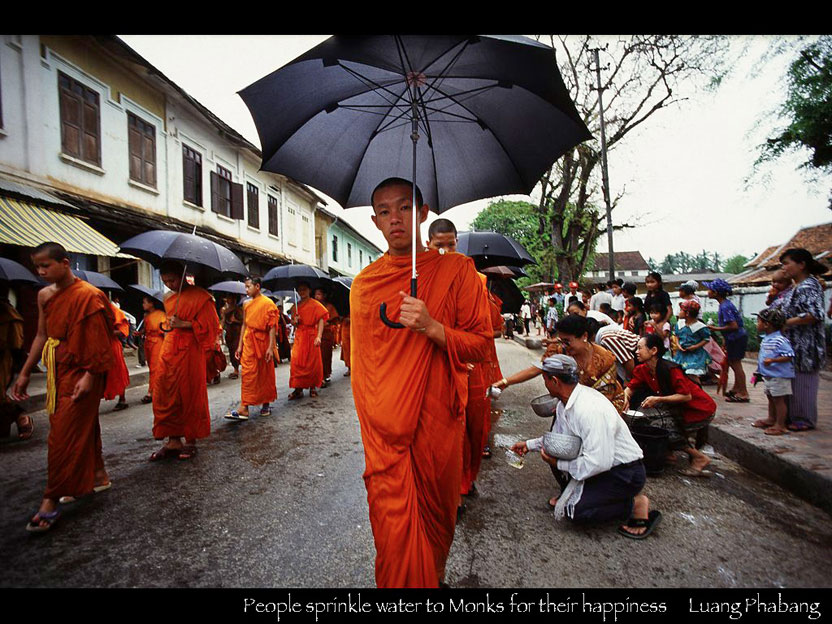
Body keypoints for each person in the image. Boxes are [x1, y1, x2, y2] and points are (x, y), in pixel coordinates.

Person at [351, 177, 491, 588]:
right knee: (393, 529)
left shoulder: (456, 270)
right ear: (375, 221)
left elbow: (481, 346)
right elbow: (363, 370)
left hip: (437, 421)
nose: (395, 219)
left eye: (405, 208)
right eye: (385, 211)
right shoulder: (364, 285)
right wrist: (378, 422)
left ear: (422, 213)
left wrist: (433, 327)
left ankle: (434, 577)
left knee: (436, 518)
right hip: (385, 434)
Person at [10, 242, 115, 531]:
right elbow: (42, 334)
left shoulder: (90, 296)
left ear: (65, 263)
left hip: (85, 369)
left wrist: (91, 375)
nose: (42, 272)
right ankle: (98, 475)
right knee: (81, 425)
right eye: (38, 267)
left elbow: (99, 340)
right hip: (59, 369)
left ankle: (51, 498)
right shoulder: (45, 295)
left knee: (63, 435)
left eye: (46, 266)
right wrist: (25, 372)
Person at [511, 354, 660, 539]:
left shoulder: (589, 409)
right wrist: (528, 445)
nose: (545, 384)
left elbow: (599, 462)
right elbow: (559, 440)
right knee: (552, 450)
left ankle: (635, 503)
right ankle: (579, 493)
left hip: (623, 473)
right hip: (601, 465)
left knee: (575, 512)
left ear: (555, 381)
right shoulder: (564, 403)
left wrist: (559, 464)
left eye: (545, 379)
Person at [149, 261, 220, 461]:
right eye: (165, 281)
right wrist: (170, 325)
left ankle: (190, 440)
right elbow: (171, 324)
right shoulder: (168, 298)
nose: (169, 284)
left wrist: (186, 324)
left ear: (182, 276)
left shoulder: (202, 297)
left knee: (188, 393)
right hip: (169, 349)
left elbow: (212, 328)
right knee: (165, 391)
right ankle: (173, 440)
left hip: (190, 351)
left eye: (172, 280)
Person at [493, 314, 626, 415]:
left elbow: (603, 399)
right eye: (561, 340)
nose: (563, 345)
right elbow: (537, 369)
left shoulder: (604, 359)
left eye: (567, 341)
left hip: (603, 409)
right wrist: (505, 382)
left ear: (584, 336)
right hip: (570, 405)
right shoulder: (559, 350)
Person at [624, 334, 717, 477]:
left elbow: (686, 396)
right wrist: (625, 396)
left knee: (660, 426)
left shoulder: (671, 369)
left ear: (653, 350)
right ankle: (668, 453)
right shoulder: (643, 369)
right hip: (679, 408)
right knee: (645, 415)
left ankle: (698, 457)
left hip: (699, 409)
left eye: (639, 348)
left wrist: (658, 399)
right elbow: (631, 387)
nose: (636, 352)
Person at [777, 248, 828, 431]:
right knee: (793, 382)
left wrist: (786, 323)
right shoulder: (795, 287)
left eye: (787, 263)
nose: (784, 268)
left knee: (803, 383)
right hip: (793, 344)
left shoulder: (809, 286)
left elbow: (814, 314)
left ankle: (804, 419)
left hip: (806, 345)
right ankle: (792, 417)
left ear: (801, 264)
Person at [227, 277, 277, 420]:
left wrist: (270, 347)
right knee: (248, 373)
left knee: (264, 373)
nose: (246, 290)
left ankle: (266, 403)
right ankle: (245, 407)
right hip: (249, 340)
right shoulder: (246, 304)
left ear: (257, 286)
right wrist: (240, 345)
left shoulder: (268, 304)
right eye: (245, 287)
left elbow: (272, 326)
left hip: (262, 341)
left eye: (249, 287)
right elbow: (244, 324)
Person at [751, 308, 795, 436]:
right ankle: (771, 418)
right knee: (771, 397)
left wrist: (773, 360)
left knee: (779, 400)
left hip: (779, 376)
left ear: (767, 324)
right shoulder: (767, 338)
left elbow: (789, 355)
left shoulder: (780, 340)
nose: (756, 324)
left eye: (758, 321)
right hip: (769, 375)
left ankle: (780, 424)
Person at [704, 279, 749, 402]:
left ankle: (743, 392)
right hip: (733, 338)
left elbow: (733, 325)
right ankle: (736, 388)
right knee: (732, 363)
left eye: (710, 290)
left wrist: (715, 328)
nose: (708, 292)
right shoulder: (725, 304)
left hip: (736, 337)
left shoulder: (725, 306)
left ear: (716, 292)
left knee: (736, 365)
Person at [288, 282, 328, 400]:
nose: (302, 292)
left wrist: (319, 336)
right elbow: (293, 323)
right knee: (296, 363)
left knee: (312, 363)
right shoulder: (295, 306)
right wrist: (295, 321)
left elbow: (321, 320)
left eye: (304, 289)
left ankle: (312, 387)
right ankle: (298, 389)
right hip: (300, 336)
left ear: (309, 290)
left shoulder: (315, 305)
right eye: (300, 290)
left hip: (311, 336)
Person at [0, 282, 29, 440]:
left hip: (3, 360)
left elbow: (17, 345)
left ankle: (20, 415)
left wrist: (22, 372)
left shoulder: (9, 314)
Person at [672, 300, 711, 384]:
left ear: (687, 313)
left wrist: (695, 346)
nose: (679, 312)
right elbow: (677, 336)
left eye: (681, 310)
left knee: (692, 373)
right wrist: (678, 344)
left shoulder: (700, 327)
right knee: (681, 373)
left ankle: (698, 391)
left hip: (695, 354)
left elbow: (706, 339)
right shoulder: (680, 324)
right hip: (682, 354)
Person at [102, 300, 130, 411]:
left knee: (117, 373)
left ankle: (122, 399)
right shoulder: (90, 309)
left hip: (112, 346)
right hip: (97, 346)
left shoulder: (113, 310)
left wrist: (108, 332)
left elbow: (123, 331)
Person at [139, 295, 166, 404]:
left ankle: (151, 392)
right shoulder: (146, 316)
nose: (143, 305)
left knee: (155, 368)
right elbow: (146, 330)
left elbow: (164, 331)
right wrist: (140, 333)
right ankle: (158, 389)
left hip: (158, 342)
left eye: (145, 302)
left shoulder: (161, 315)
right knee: (152, 368)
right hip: (148, 343)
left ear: (151, 303)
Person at [314, 288, 340, 388]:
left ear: (324, 295)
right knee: (316, 357)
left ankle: (325, 375)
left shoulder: (329, 306)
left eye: (319, 294)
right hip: (314, 334)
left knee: (325, 355)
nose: (317, 296)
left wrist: (327, 323)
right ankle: (317, 376)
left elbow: (335, 320)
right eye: (316, 294)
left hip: (326, 334)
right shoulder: (313, 306)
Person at [220, 294, 243, 379]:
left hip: (237, 333)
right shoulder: (225, 310)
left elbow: (244, 322)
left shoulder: (238, 310)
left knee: (236, 350)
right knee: (231, 350)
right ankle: (235, 368)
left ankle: (236, 370)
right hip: (229, 333)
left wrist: (235, 320)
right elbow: (223, 321)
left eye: (229, 299)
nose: (228, 300)